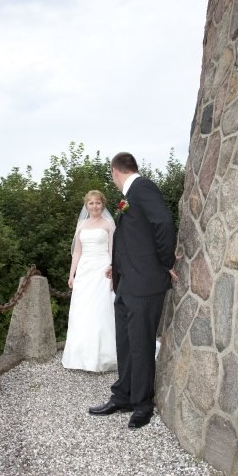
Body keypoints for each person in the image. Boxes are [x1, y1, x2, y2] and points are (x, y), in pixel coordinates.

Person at [89, 152, 177, 428]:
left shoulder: (143, 187)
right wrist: (116, 268)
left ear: (115, 171)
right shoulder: (130, 195)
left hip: (145, 284)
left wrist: (165, 263)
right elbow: (135, 237)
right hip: (126, 282)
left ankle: (142, 403)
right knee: (125, 343)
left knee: (141, 344)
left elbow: (163, 223)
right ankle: (123, 395)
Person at [62, 190, 118, 372]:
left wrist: (113, 269)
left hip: (102, 270)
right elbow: (77, 251)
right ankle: (80, 356)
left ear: (103, 204)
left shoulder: (108, 224)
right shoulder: (82, 224)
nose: (95, 206)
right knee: (82, 310)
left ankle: (105, 356)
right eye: (91, 203)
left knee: (101, 309)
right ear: (86, 205)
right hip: (85, 271)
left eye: (98, 203)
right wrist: (72, 274)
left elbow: (113, 250)